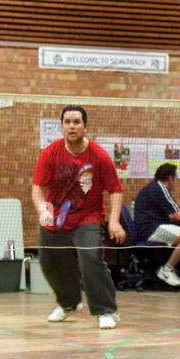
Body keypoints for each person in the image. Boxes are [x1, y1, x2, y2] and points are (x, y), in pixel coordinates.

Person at [31, 104, 125, 329]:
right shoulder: (50, 153)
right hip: (57, 218)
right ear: (62, 126)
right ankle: (69, 303)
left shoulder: (99, 156)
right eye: (67, 122)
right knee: (49, 262)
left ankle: (104, 310)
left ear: (85, 126)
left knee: (91, 259)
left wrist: (113, 221)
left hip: (88, 216)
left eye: (76, 122)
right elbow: (37, 188)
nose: (72, 127)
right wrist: (42, 210)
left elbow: (115, 189)